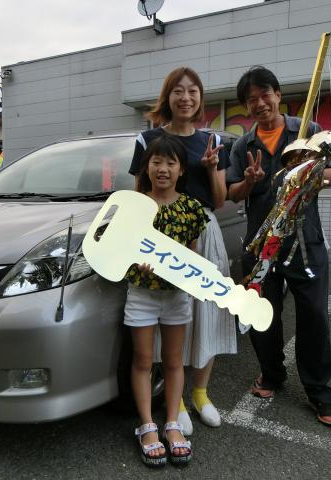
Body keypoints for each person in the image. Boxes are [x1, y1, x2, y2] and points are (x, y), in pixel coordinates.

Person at [226, 66, 331, 427]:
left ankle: (320, 392)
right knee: (262, 316)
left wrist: (308, 174)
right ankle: (271, 375)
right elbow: (232, 193)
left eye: (265, 95)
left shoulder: (307, 132)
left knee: (314, 318)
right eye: (252, 100)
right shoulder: (242, 146)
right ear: (246, 107)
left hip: (305, 244)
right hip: (261, 246)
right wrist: (249, 181)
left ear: (278, 95)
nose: (260, 104)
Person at [129, 67, 236, 434]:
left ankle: (201, 394)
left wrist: (209, 169)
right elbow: (137, 193)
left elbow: (219, 200)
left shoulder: (212, 142)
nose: (185, 97)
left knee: (206, 312)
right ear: (167, 96)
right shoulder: (148, 140)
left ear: (200, 98)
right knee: (171, 312)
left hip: (202, 231)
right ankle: (174, 403)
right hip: (161, 231)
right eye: (178, 90)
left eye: (193, 91)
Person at [125, 133, 208, 466]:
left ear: (181, 170)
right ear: (146, 168)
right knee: (143, 361)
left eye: (170, 163)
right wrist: (136, 260)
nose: (163, 169)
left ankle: (172, 424)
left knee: (174, 361)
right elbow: (122, 250)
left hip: (176, 298)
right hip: (141, 294)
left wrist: (186, 275)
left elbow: (192, 256)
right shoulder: (134, 205)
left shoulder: (191, 208)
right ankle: (147, 426)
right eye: (156, 162)